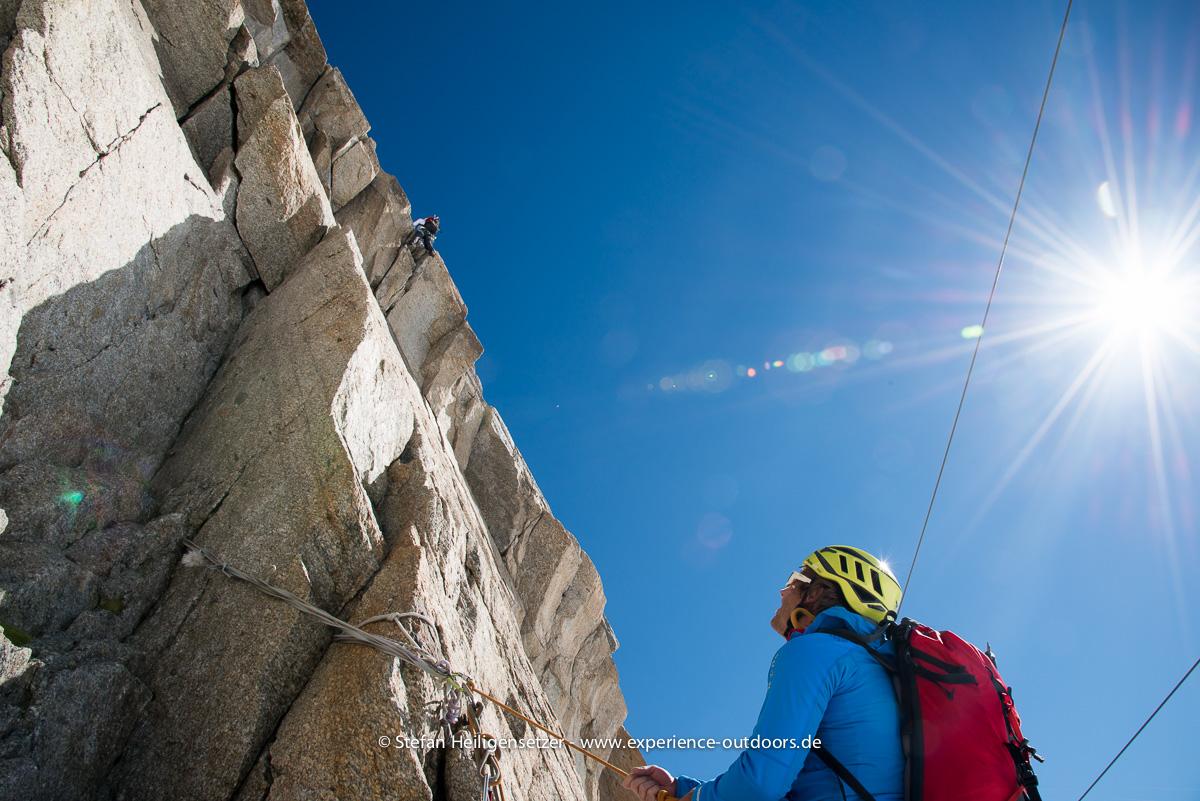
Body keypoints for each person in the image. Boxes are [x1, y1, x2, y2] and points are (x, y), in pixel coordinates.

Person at [623, 546, 905, 801]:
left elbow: (761, 785)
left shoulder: (817, 651)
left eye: (796, 581)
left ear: (818, 592)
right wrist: (682, 790)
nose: (783, 591)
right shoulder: (872, 667)